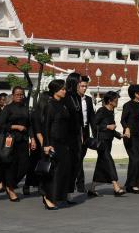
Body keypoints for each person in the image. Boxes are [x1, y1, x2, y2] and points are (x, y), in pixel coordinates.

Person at [41, 78, 77, 210]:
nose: (64, 91)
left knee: (63, 170)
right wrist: (47, 144)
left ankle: (57, 196)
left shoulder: (63, 104)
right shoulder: (49, 105)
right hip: (53, 142)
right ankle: (47, 197)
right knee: (53, 171)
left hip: (64, 142)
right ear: (55, 90)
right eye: (62, 89)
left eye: (65, 88)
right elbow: (46, 126)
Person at [87, 90, 124, 198]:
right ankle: (116, 186)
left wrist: (119, 135)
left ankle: (92, 188)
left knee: (101, 164)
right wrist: (107, 127)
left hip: (109, 142)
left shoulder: (111, 111)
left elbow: (111, 129)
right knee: (109, 161)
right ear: (109, 101)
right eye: (115, 99)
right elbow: (94, 125)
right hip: (101, 143)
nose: (117, 101)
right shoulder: (102, 111)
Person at [0, 86, 31, 202]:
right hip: (11, 140)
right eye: (17, 94)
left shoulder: (26, 108)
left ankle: (9, 183)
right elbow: (1, 125)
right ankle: (10, 189)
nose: (20, 96)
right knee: (11, 165)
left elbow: (29, 125)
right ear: (12, 95)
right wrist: (15, 126)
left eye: (22, 94)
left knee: (25, 165)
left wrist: (33, 139)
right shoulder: (8, 108)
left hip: (23, 140)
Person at [120, 84, 139, 193]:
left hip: (138, 136)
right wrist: (126, 128)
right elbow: (123, 120)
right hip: (129, 136)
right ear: (135, 93)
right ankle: (131, 185)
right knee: (135, 159)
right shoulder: (127, 105)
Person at [71, 75, 94, 193]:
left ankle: (75, 180)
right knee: (78, 158)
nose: (84, 88)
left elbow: (92, 118)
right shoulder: (72, 99)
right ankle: (79, 184)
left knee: (80, 157)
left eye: (86, 86)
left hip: (85, 131)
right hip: (75, 132)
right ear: (77, 86)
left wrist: (95, 135)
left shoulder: (88, 100)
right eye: (82, 86)